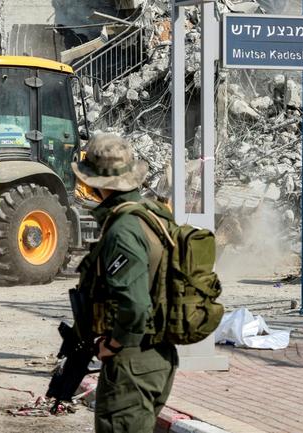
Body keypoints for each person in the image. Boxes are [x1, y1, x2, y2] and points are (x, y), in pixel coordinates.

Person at [71, 134, 178, 433]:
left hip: (133, 360)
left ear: (95, 182)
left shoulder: (123, 230)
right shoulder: (154, 217)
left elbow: (135, 305)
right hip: (157, 356)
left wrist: (113, 343)